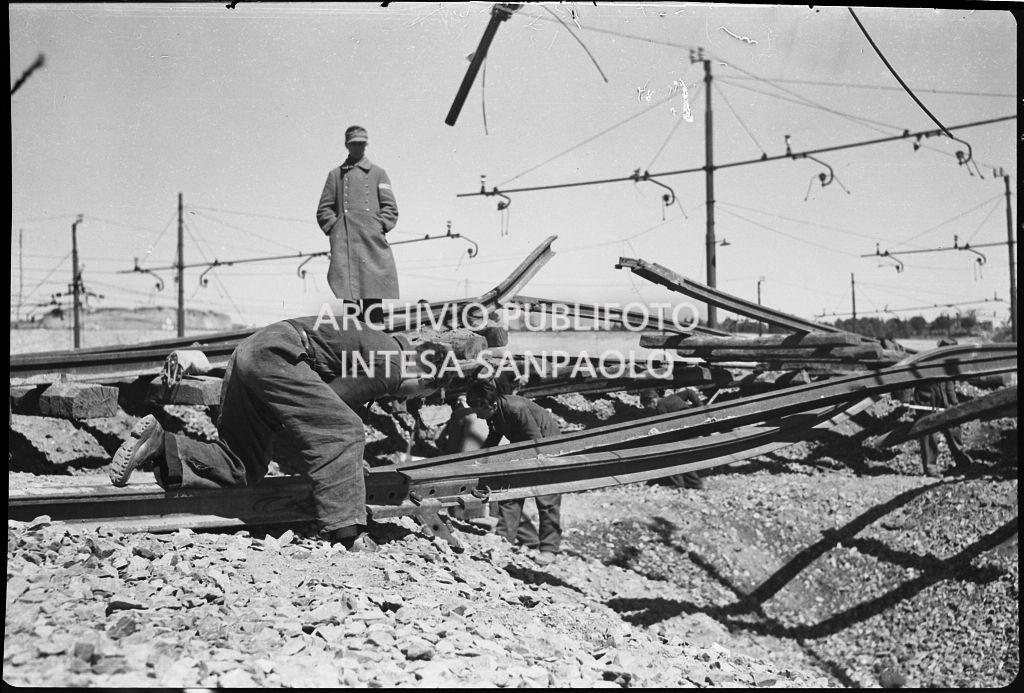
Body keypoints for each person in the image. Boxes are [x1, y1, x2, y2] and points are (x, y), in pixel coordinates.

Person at [108, 316, 447, 550]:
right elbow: (334, 418)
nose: (405, 397)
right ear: (425, 373)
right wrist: (343, 464)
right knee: (346, 430)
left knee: (242, 462)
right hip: (277, 354)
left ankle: (160, 444)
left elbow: (319, 405)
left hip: (249, 355)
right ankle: (350, 537)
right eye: (417, 393)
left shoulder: (372, 342)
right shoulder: (392, 362)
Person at [466, 377, 563, 566]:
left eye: (479, 411)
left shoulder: (515, 408)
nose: (477, 417)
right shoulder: (494, 412)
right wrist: (478, 461)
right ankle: (504, 541)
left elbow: (535, 441)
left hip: (546, 449)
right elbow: (493, 439)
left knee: (546, 498)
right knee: (510, 495)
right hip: (523, 448)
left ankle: (549, 549)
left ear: (491, 404)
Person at [316, 125, 399, 323]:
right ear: (347, 145)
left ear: (366, 145)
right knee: (349, 294)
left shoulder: (378, 173)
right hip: (345, 244)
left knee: (373, 291)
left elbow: (391, 208)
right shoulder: (335, 175)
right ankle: (353, 344)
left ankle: (376, 340)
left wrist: (377, 227)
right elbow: (323, 210)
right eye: (354, 144)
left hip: (371, 243)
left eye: (361, 144)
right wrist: (336, 229)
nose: (357, 148)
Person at [914, 337, 975, 477]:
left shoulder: (951, 363)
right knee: (929, 433)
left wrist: (954, 405)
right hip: (927, 400)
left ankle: (962, 461)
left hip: (943, 400)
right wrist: (918, 402)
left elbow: (950, 386)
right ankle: (931, 469)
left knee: (954, 428)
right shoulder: (927, 362)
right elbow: (911, 381)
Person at [639, 387, 705, 490]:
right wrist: (700, 408)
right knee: (678, 456)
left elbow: (667, 429)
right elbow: (689, 392)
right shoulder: (672, 397)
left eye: (646, 406)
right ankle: (682, 482)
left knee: (674, 456)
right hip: (693, 427)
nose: (648, 409)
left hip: (687, 432)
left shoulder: (661, 408)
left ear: (652, 401)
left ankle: (691, 484)